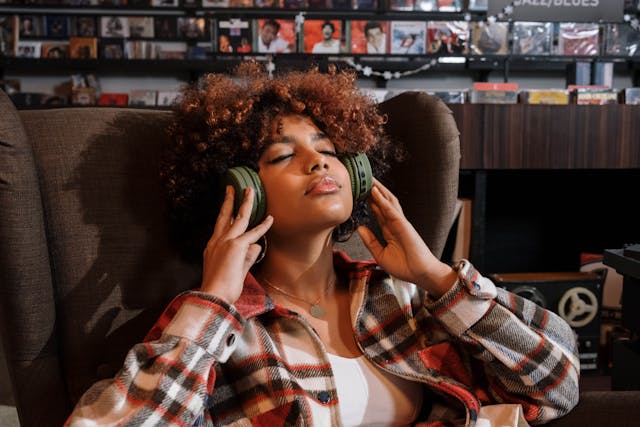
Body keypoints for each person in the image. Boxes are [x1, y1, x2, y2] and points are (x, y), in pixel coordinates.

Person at [64, 62, 579, 427]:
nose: (319, 163)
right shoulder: (218, 326)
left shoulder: (401, 296)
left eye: (329, 149)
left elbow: (558, 384)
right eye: (284, 156)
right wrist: (217, 298)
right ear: (243, 189)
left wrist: (437, 277)